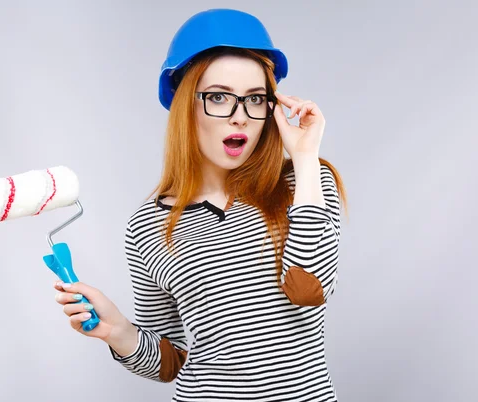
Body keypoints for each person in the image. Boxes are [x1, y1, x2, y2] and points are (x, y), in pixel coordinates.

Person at [52, 8, 347, 402]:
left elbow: (310, 286)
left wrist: (307, 157)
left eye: (255, 99)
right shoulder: (147, 225)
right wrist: (117, 330)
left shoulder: (306, 182)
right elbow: (172, 362)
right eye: (219, 97)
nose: (239, 117)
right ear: (184, 106)